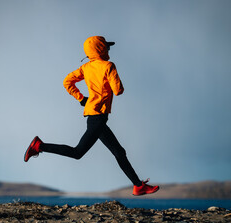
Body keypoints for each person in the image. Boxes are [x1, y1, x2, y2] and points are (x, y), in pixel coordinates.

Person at [24, 36, 159, 196]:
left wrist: (81, 98)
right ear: (101, 49)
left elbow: (67, 81)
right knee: (77, 153)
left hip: (94, 115)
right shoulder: (109, 66)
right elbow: (118, 90)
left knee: (119, 152)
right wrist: (110, 81)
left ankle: (138, 186)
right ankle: (40, 146)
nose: (109, 50)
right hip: (98, 117)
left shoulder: (86, 67)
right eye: (107, 47)